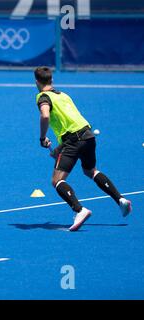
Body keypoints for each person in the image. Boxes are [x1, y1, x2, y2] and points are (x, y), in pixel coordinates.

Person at [34, 66, 132, 231]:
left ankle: (79, 210)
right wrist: (59, 149)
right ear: (52, 80)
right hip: (88, 136)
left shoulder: (43, 97)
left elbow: (45, 115)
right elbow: (73, 123)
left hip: (73, 140)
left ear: (37, 82)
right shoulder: (63, 95)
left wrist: (42, 137)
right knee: (90, 171)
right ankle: (121, 200)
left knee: (56, 180)